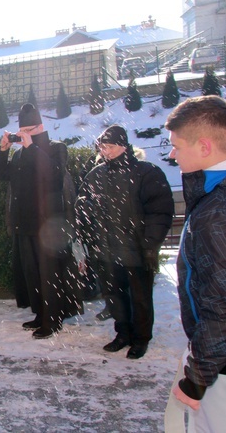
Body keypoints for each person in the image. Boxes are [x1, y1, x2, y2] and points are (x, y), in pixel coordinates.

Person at [162, 95, 226, 432]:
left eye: (177, 146)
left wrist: (197, 377)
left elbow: (224, 304)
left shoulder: (219, 213)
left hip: (222, 371)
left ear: (204, 147)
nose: (171, 154)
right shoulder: (212, 193)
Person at [76, 125, 173, 359]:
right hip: (105, 248)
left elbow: (160, 212)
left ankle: (141, 339)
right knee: (114, 295)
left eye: (110, 147)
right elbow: (81, 205)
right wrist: (86, 216)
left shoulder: (146, 173)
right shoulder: (96, 174)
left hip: (137, 248)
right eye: (102, 147)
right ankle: (123, 334)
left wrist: (150, 244)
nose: (105, 151)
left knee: (140, 297)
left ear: (123, 146)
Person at [0, 103, 71, 339]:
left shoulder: (56, 148)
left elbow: (55, 178)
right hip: (22, 223)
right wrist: (3, 150)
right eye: (22, 129)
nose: (25, 133)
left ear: (41, 126)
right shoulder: (19, 153)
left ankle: (53, 319)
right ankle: (40, 313)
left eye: (30, 129)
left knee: (49, 274)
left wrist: (33, 149)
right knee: (31, 273)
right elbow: (0, 175)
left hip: (46, 225)